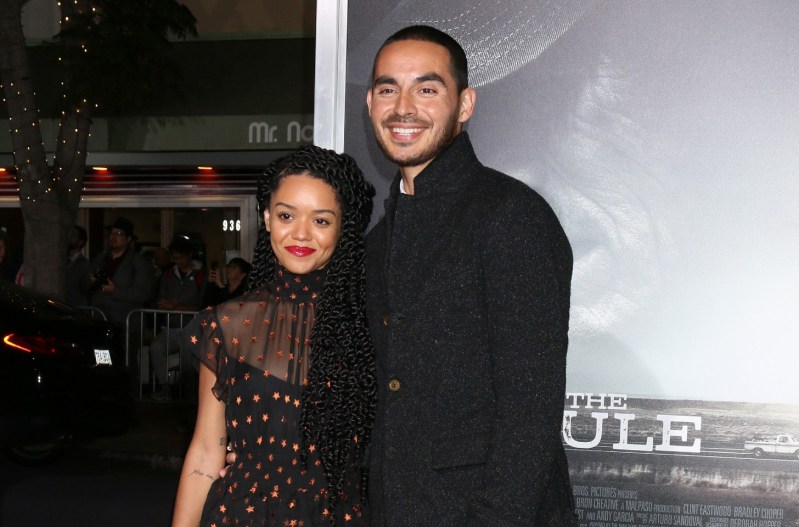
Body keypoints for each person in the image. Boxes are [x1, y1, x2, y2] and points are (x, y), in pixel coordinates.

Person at [362, 25, 577, 525]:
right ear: (371, 102)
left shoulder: (511, 216)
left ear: (465, 104)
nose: (403, 107)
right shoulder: (378, 240)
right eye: (388, 88)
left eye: (427, 89)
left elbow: (531, 405)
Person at [172, 145, 376, 527]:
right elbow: (204, 451)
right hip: (245, 514)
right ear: (266, 218)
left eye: (321, 220)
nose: (301, 234)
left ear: (342, 227)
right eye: (286, 215)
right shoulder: (227, 323)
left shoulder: (369, 324)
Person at [148, 235, 207, 401]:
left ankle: (187, 397)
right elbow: (159, 297)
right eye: (174, 258)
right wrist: (163, 304)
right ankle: (165, 387)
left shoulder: (201, 276)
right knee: (156, 348)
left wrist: (178, 307)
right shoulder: (168, 275)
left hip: (191, 329)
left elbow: (202, 305)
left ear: (189, 256)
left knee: (188, 365)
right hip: (171, 328)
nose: (177, 261)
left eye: (180, 257)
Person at [88, 216, 153, 325]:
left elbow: (144, 294)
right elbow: (88, 285)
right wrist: (92, 281)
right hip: (99, 317)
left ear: (128, 239)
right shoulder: (101, 258)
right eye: (112, 233)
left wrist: (115, 291)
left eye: (119, 233)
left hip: (124, 321)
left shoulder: (138, 261)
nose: (113, 236)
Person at [66, 225, 91, 307]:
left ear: (81, 242)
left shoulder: (84, 264)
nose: (69, 237)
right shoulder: (62, 261)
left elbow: (86, 290)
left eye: (73, 235)